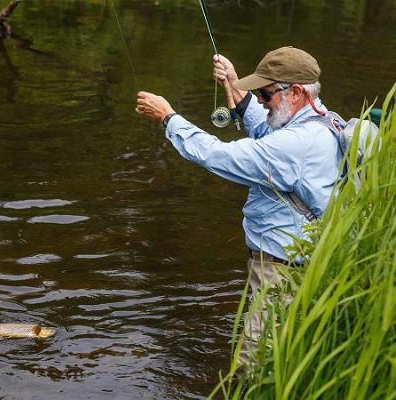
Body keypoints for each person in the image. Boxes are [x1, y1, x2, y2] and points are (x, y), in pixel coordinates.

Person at [135, 46, 341, 363]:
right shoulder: (321, 119)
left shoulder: (296, 144)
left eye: (265, 93)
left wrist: (169, 118)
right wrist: (236, 89)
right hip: (300, 262)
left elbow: (219, 156)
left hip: (282, 271)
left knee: (254, 365)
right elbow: (270, 126)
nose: (259, 99)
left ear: (296, 92)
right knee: (286, 350)